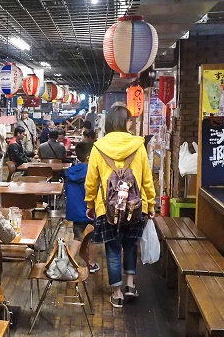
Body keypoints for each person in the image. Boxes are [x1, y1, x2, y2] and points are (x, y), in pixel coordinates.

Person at [85, 105, 156, 309]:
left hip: (107, 209)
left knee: (113, 248)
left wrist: (90, 203)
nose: (132, 124)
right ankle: (130, 285)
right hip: (136, 206)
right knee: (130, 245)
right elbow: (146, 180)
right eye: (130, 120)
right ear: (123, 123)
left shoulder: (98, 147)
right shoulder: (138, 146)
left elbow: (91, 181)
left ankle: (117, 293)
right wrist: (150, 204)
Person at [64, 142, 99, 272]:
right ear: (89, 156)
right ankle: (91, 264)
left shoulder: (70, 172)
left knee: (77, 238)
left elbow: (67, 192)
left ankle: (68, 264)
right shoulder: (93, 171)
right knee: (94, 238)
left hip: (75, 210)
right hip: (91, 210)